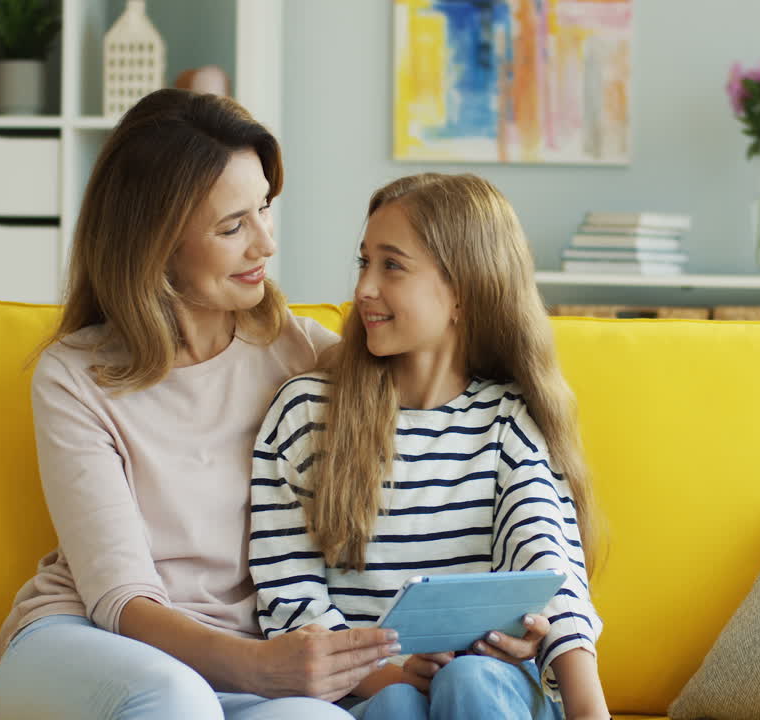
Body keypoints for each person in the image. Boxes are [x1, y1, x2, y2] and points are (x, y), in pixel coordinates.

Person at [0, 89, 403, 720]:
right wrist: (265, 666)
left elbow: (442, 426)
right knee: (174, 699)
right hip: (89, 645)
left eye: (264, 209)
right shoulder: (75, 375)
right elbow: (118, 597)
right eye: (232, 226)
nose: (265, 244)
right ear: (155, 243)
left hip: (247, 670)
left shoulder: (303, 355)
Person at [249, 173, 608, 720]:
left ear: (463, 290)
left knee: (468, 679)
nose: (365, 288)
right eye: (363, 262)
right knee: (397, 703)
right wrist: (391, 673)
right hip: (367, 697)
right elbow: (293, 608)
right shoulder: (306, 415)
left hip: (493, 692)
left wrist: (583, 703)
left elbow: (552, 574)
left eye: (391, 265)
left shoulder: (508, 421)